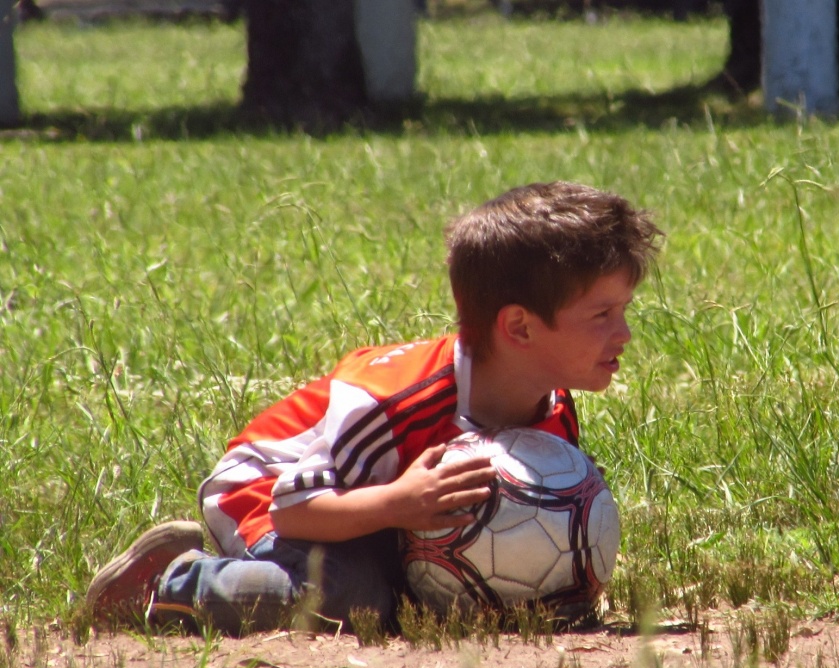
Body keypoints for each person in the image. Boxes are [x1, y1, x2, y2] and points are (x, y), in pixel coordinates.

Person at [86, 181, 662, 635]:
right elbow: (295, 507)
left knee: (410, 596)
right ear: (519, 327)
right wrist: (398, 502)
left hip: (368, 507)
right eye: (602, 315)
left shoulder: (553, 407)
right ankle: (167, 580)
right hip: (267, 488)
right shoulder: (392, 403)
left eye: (626, 310)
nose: (625, 334)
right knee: (353, 599)